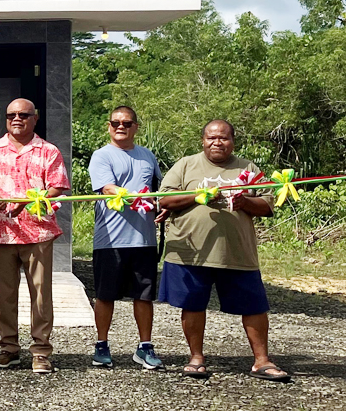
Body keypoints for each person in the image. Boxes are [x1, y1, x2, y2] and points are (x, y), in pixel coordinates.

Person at [157, 120, 289, 382]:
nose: (217, 142)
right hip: (190, 250)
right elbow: (164, 199)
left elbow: (267, 205)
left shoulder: (248, 168)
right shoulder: (186, 165)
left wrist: (244, 201)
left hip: (237, 252)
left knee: (254, 307)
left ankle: (262, 361)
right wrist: (198, 196)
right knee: (193, 305)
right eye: (211, 138)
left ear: (233, 141)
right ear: (203, 141)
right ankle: (196, 358)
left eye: (224, 138)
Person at [0, 98, 70, 374]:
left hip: (38, 231)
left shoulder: (48, 151)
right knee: (5, 294)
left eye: (23, 115)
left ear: (35, 119)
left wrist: (27, 201)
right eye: (11, 115)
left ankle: (40, 351)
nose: (17, 119)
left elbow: (57, 187)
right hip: (2, 231)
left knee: (40, 294)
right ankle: (8, 348)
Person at [88, 106, 165, 370]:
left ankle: (145, 346)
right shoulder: (101, 156)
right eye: (115, 123)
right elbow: (108, 188)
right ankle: (101, 344)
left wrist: (163, 205)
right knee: (105, 295)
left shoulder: (148, 156)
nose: (121, 127)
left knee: (144, 296)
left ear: (136, 126)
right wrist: (136, 198)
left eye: (127, 123)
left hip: (144, 240)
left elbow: (159, 189)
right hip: (110, 240)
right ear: (108, 126)